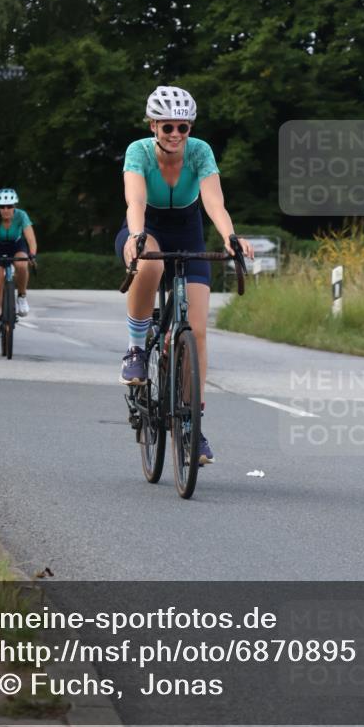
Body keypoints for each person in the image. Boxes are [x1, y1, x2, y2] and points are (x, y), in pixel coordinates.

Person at [115, 86, 254, 465]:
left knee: (198, 331)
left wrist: (230, 237)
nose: (176, 134)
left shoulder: (200, 152)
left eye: (183, 127)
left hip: (188, 231)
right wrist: (138, 237)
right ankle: (136, 348)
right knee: (152, 263)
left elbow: (213, 201)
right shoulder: (138, 151)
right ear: (153, 126)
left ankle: (191, 423)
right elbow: (136, 200)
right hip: (147, 226)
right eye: (167, 128)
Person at [0, 188, 37, 342]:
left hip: (16, 245)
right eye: (2, 207)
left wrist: (32, 254)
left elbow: (30, 238)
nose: (6, 210)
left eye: (9, 206)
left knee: (22, 265)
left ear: (15, 206)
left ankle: (22, 296)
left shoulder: (21, 215)